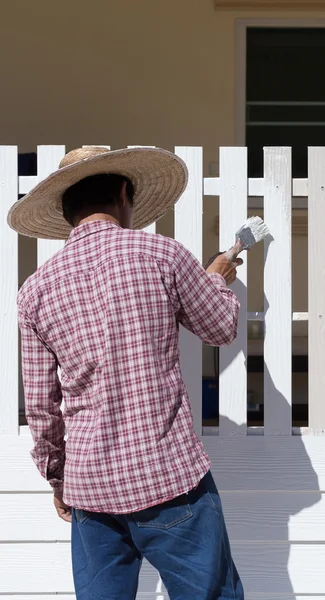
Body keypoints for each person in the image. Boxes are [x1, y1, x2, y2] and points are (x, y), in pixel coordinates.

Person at [8, 146, 244, 600]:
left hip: (90, 490)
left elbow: (41, 406)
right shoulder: (162, 254)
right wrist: (215, 276)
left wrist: (58, 480)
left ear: (66, 211)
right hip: (167, 478)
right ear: (122, 193)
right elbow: (221, 326)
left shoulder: (35, 290)